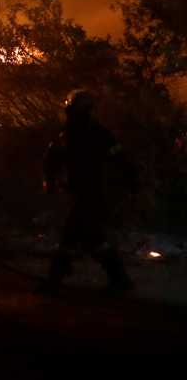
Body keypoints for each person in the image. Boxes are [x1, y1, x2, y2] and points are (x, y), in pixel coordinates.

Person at [39, 89, 135, 294]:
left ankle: (55, 279)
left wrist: (49, 179)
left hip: (90, 194)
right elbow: (53, 158)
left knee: (72, 235)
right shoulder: (88, 133)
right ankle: (119, 280)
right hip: (88, 193)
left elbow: (52, 158)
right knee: (91, 238)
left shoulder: (79, 133)